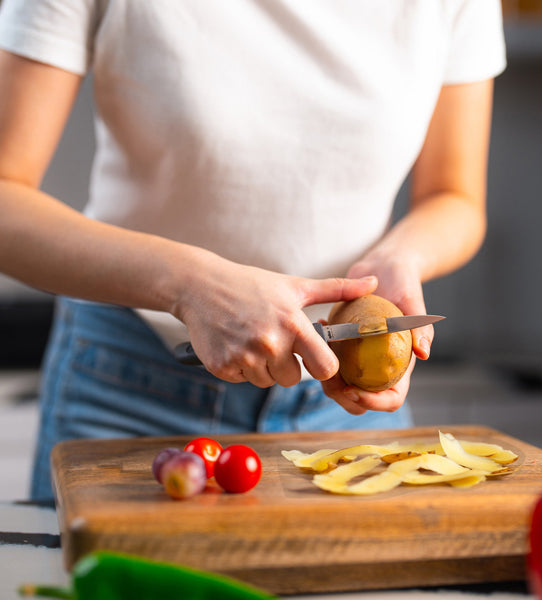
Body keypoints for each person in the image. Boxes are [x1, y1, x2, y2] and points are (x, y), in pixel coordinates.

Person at [0, 0, 506, 500]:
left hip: (339, 406)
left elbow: (453, 197)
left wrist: (401, 257)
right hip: (128, 387)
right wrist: (187, 284)